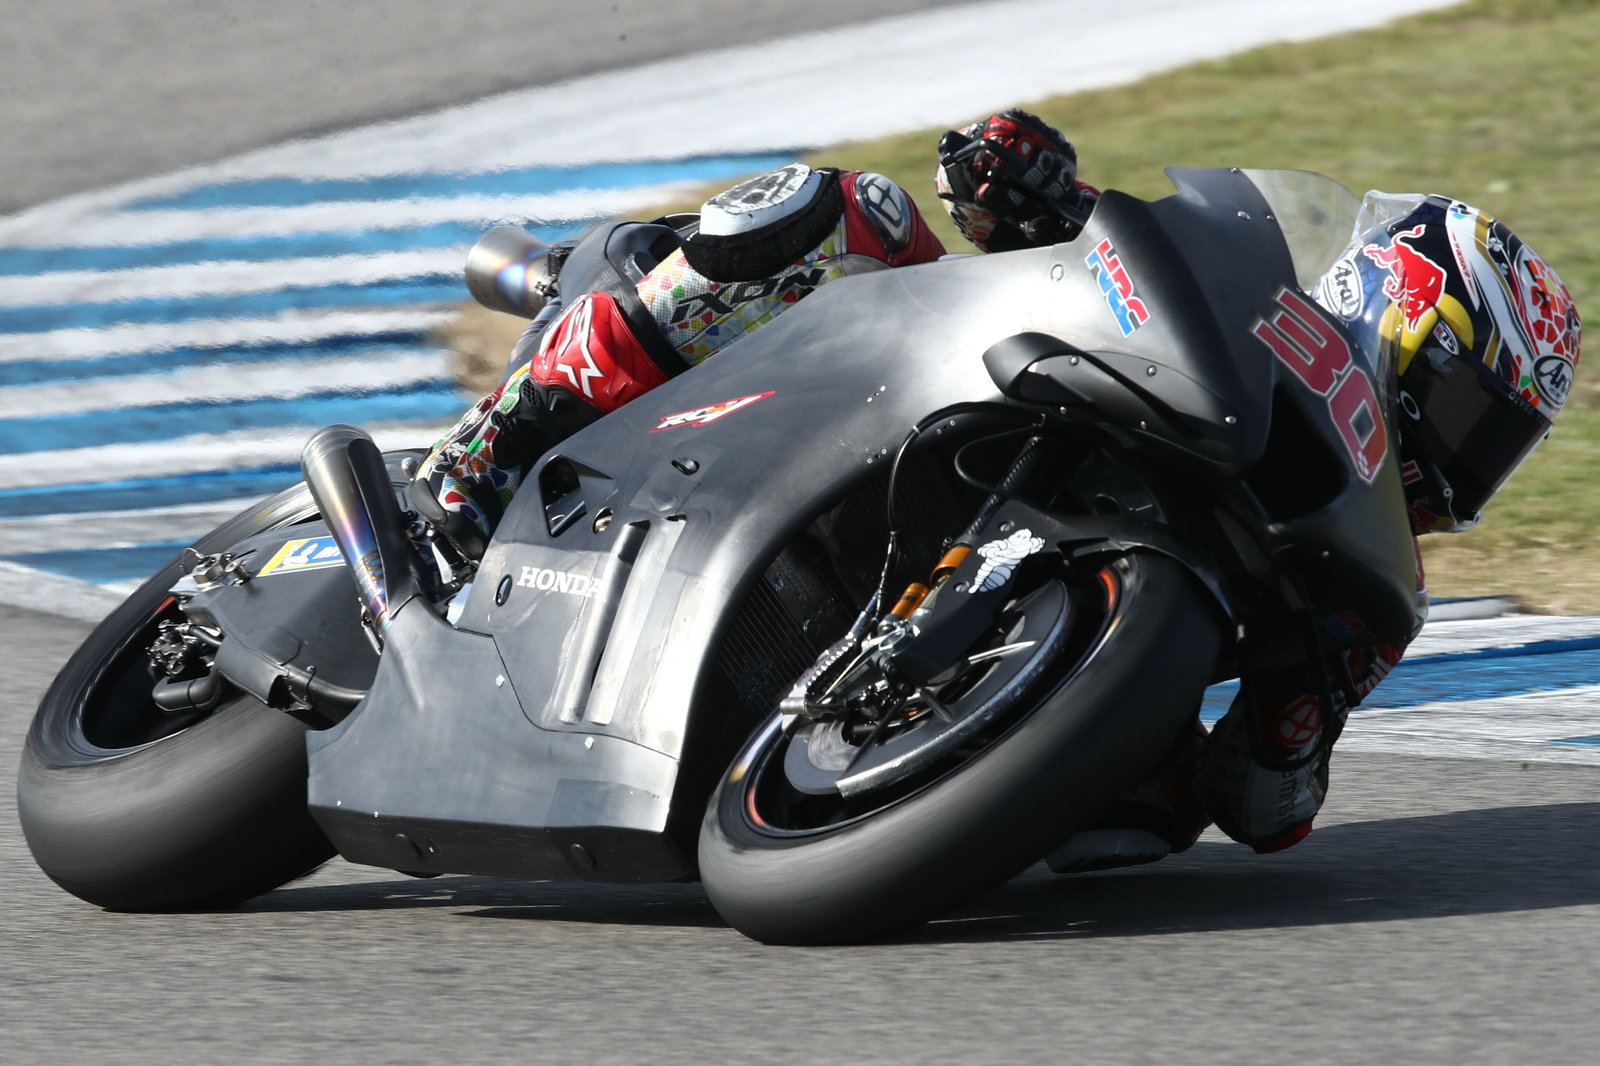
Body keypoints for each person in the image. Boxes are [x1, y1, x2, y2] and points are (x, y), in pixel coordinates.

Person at [414, 109, 1582, 866]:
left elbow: (1267, 805)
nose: (1467, 462)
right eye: (1474, 413)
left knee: (1145, 828)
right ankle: (494, 447)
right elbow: (1027, 230)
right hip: (871, 405)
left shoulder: (1366, 577)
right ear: (1397, 303)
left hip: (951, 767)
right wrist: (1027, 182)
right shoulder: (1231, 316)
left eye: (1499, 449)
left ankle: (921, 768)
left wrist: (1294, 714)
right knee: (857, 214)